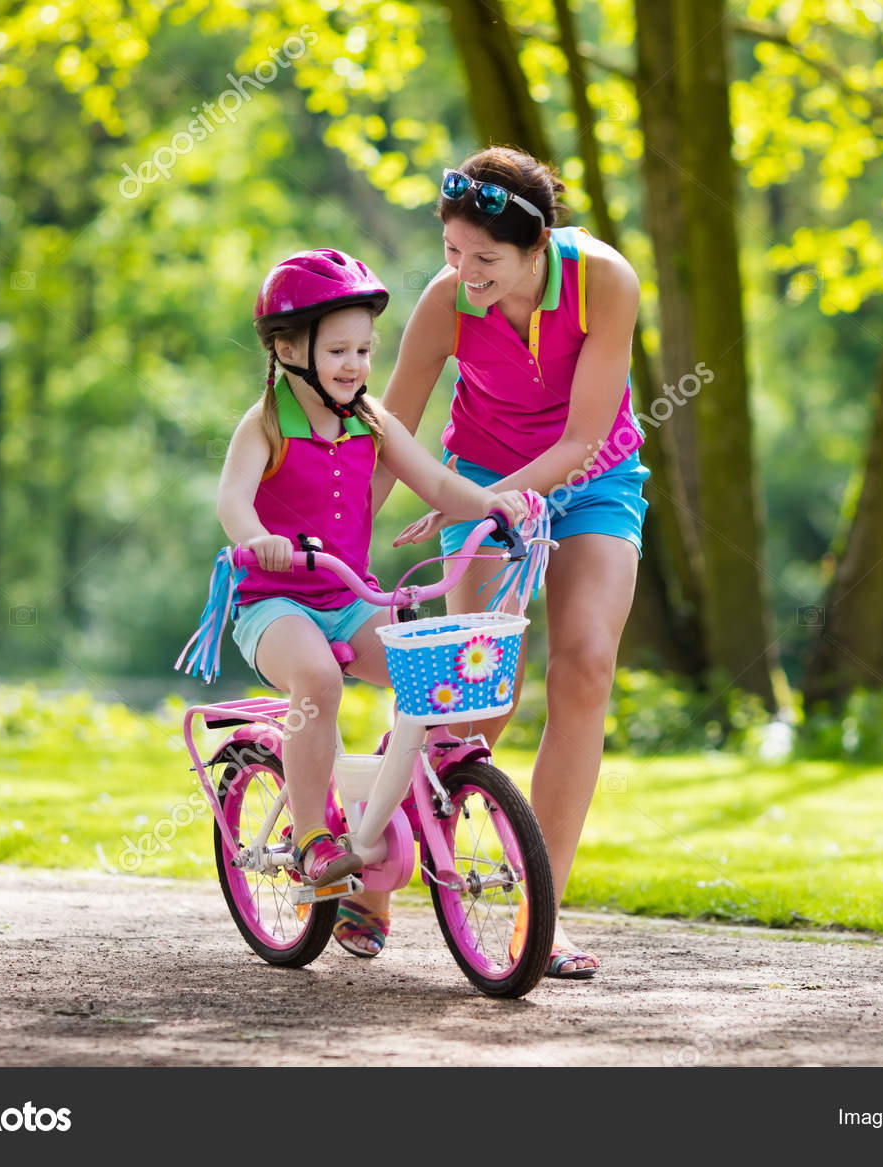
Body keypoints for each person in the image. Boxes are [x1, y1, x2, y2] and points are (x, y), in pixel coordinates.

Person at [340, 147, 649, 979]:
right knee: (476, 692)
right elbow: (388, 432)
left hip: (592, 482)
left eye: (485, 259)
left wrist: (494, 499)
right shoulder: (447, 304)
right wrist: (337, 548)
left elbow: (584, 438)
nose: (463, 273)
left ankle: (537, 914)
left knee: (586, 666)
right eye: (450, 252)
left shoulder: (605, 281)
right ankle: (370, 859)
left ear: (537, 243)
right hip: (479, 481)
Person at [216, 247, 526, 886]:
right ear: (287, 350)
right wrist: (258, 539)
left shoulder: (372, 421)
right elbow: (232, 500)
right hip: (273, 603)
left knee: (437, 682)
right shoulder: (267, 423)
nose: (355, 365)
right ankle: (311, 842)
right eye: (337, 351)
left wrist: (494, 507)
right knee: (319, 679)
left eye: (363, 350)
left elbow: (438, 485)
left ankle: (390, 793)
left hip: (348, 598)